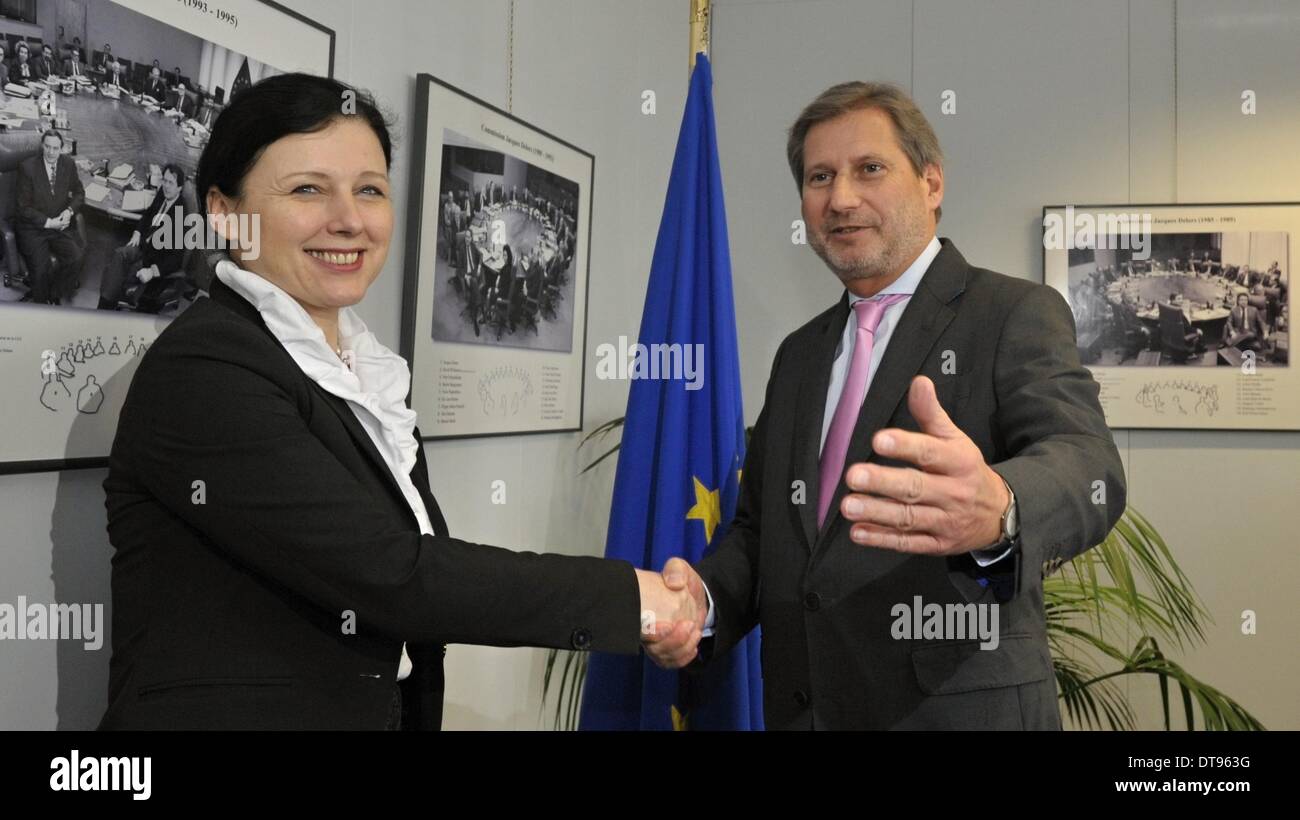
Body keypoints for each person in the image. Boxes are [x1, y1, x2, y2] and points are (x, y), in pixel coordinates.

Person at [100, 74, 700, 730]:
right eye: (307, 189)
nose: (350, 220)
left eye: (369, 190)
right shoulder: (206, 367)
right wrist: (630, 596)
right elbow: (390, 574)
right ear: (222, 210)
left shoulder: (366, 373)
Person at [643, 81, 1126, 730]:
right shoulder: (798, 354)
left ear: (931, 183)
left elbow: (1091, 467)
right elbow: (763, 535)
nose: (841, 198)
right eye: (820, 177)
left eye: (869, 168)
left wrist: (1000, 506)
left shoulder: (1012, 313)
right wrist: (701, 600)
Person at [97, 163, 188, 311]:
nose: (166, 186)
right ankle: (103, 308)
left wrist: (152, 271)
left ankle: (105, 310)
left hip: (154, 259)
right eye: (164, 180)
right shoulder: (162, 194)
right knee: (119, 255)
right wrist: (138, 232)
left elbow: (176, 258)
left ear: (180, 188)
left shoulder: (180, 215)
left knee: (119, 276)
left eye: (171, 183)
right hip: (144, 247)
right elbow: (147, 214)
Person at [15, 130, 85, 305]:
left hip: (58, 225)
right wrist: (48, 222)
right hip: (33, 228)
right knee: (40, 272)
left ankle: (54, 295)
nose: (51, 152)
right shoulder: (28, 168)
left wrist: (69, 211)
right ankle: (41, 306)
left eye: (55, 148)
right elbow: (23, 208)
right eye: (47, 146)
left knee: (75, 258)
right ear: (42, 146)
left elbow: (79, 193)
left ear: (62, 149)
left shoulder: (68, 164)